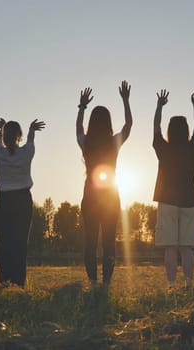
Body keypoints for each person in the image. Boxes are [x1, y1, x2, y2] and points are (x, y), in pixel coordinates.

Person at [76, 81, 132, 285]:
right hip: (110, 196)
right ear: (108, 122)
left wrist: (82, 107)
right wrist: (126, 100)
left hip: (90, 196)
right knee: (109, 242)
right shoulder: (113, 142)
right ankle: (106, 283)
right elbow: (128, 126)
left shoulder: (86, 143)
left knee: (90, 242)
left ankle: (92, 282)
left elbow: (78, 128)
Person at [153, 88, 194, 290]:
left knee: (170, 248)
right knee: (186, 248)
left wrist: (159, 106)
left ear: (170, 131)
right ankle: (188, 284)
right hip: (189, 202)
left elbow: (155, 126)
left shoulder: (163, 147)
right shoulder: (192, 147)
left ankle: (172, 285)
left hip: (167, 202)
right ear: (187, 130)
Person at [0, 117, 45, 288]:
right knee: (20, 242)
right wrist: (31, 129)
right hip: (22, 200)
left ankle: (4, 280)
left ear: (4, 136)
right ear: (19, 136)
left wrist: (1, 130)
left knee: (4, 242)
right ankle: (18, 281)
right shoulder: (26, 153)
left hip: (3, 200)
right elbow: (30, 141)